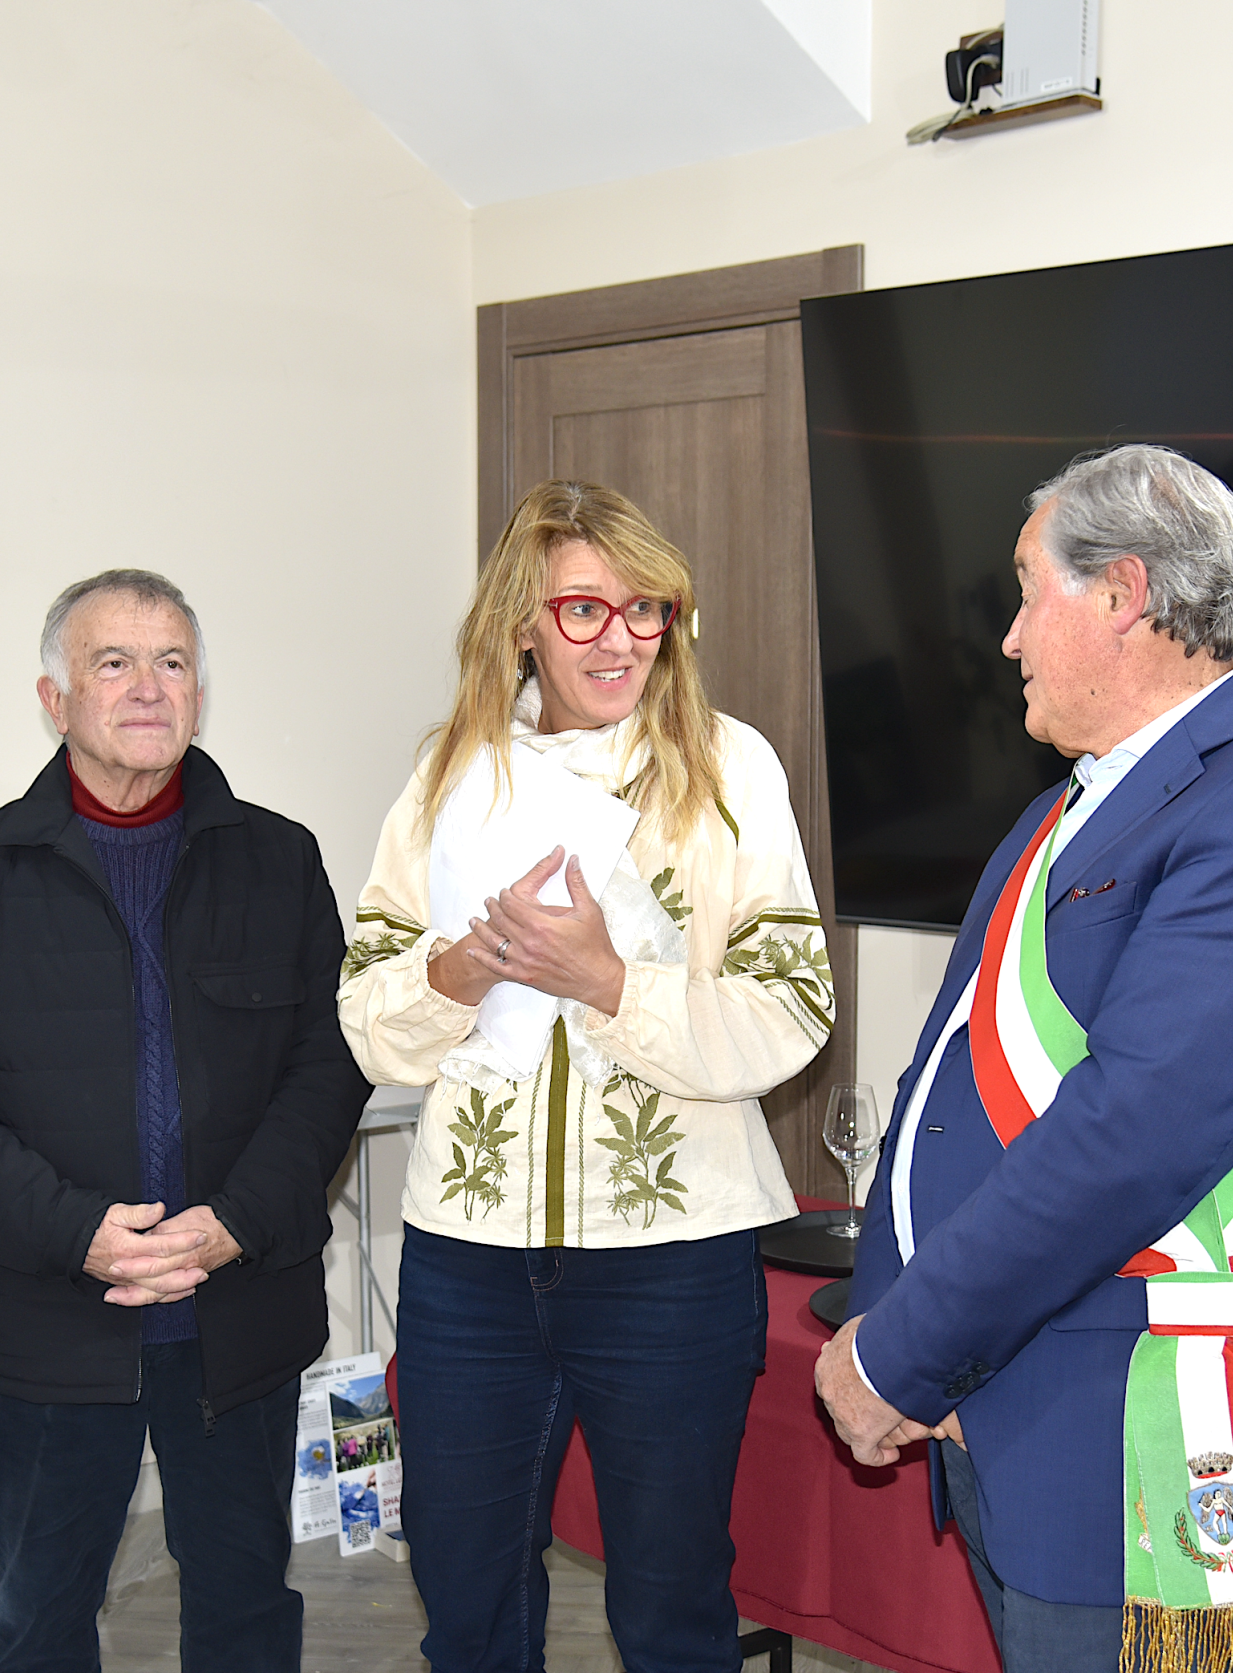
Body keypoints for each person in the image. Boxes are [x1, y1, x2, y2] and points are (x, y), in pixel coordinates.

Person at [813, 446, 1233, 1673]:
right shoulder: (1069, 804)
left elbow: (1129, 1136)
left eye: (1028, 593)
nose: (1009, 638)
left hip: (1140, 1440)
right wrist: (894, 1327)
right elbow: (942, 1089)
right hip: (1001, 1402)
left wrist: (901, 1350)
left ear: (1124, 592)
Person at [338, 480, 831, 1673]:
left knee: (670, 1608)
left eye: (645, 607)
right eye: (582, 608)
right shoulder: (449, 773)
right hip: (467, 1259)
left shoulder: (727, 767)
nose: (620, 638)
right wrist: (460, 969)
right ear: (521, 621)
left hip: (670, 1257)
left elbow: (792, 1009)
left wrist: (610, 981)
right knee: (465, 1595)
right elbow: (366, 1020)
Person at [0, 568, 369, 1672]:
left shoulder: (279, 857)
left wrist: (235, 1221)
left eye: (172, 661)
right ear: (55, 700)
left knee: (245, 1606)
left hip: (240, 1308)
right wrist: (76, 1230)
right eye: (114, 662)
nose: (148, 686)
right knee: (41, 1613)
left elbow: (330, 1063)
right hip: (56, 1317)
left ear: (200, 693)